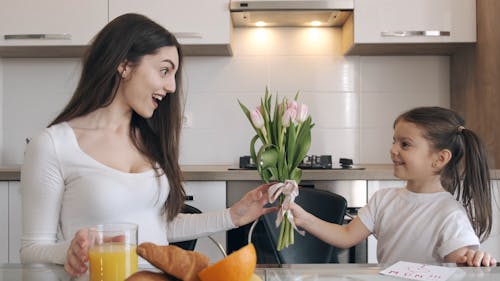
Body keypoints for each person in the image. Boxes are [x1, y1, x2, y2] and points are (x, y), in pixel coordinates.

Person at [19, 13, 275, 277]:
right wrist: (68, 251)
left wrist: (234, 216)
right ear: (125, 65)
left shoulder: (151, 141)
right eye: (164, 70)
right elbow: (32, 248)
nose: (172, 86)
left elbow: (159, 227)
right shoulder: (53, 145)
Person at [289, 106, 496, 266]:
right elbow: (346, 236)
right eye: (394, 141)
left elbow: (460, 264)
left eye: (405, 144)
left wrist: (474, 259)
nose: (393, 150)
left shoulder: (451, 214)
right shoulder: (383, 199)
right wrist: (304, 219)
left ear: (439, 158)